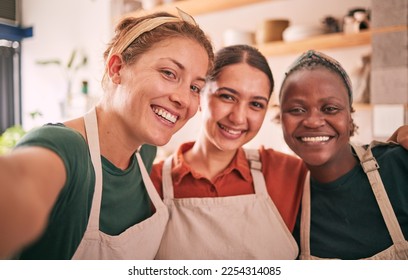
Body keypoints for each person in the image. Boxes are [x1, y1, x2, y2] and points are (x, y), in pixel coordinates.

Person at [0, 9, 214, 260]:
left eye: (194, 87)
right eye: (168, 73)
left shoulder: (145, 152)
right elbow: (19, 184)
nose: (182, 99)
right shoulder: (64, 147)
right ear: (117, 68)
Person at [150, 44, 308, 260]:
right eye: (227, 97)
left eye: (255, 104)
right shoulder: (151, 182)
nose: (238, 118)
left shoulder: (287, 172)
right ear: (200, 95)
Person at [279, 49, 408, 259]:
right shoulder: (279, 194)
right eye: (297, 109)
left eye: (330, 108)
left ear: (350, 117)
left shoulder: (399, 167)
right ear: (281, 119)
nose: (313, 121)